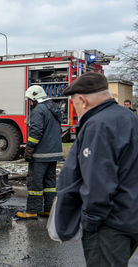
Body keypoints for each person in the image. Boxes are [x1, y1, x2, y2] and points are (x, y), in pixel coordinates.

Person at [55, 72, 138, 266]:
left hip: (109, 225)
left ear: (82, 101)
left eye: (74, 105)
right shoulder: (128, 117)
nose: (76, 111)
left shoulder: (97, 125)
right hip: (129, 216)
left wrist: (90, 222)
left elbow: (98, 182)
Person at [15, 85, 63, 219]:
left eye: (31, 99)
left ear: (35, 97)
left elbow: (35, 132)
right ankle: (48, 209)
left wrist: (29, 149)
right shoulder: (54, 108)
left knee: (35, 183)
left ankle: (31, 211)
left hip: (40, 154)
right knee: (50, 184)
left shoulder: (39, 110)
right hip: (53, 154)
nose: (31, 102)